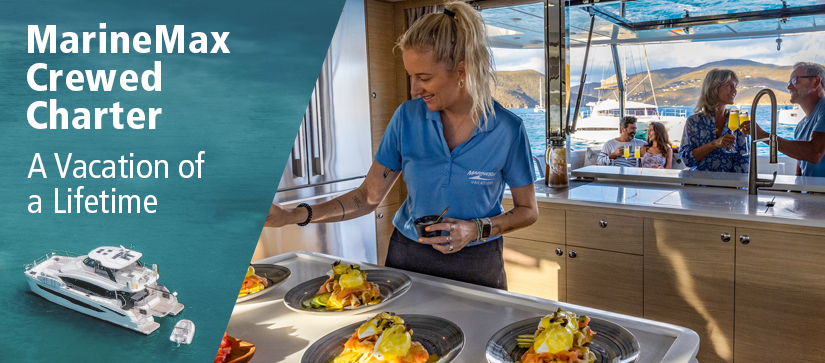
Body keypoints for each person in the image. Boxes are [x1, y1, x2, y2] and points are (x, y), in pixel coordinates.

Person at [264, 1, 538, 290]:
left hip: (478, 261)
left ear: (461, 70)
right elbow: (367, 197)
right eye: (411, 76)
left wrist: (476, 229)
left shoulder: (508, 129)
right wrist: (292, 215)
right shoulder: (407, 118)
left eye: (424, 78)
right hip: (409, 255)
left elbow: (528, 210)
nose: (414, 89)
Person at [744, 62, 825, 177]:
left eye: (795, 80)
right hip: (810, 189)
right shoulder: (800, 125)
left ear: (815, 82)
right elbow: (799, 172)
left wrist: (762, 135)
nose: (789, 87)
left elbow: (815, 153)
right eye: (789, 82)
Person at [679, 69, 748, 172]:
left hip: (730, 182)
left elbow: (744, 160)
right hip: (699, 181)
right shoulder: (694, 122)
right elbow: (687, 160)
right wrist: (714, 144)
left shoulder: (738, 121)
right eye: (729, 85)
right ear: (714, 88)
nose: (735, 91)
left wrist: (731, 182)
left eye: (735, 86)